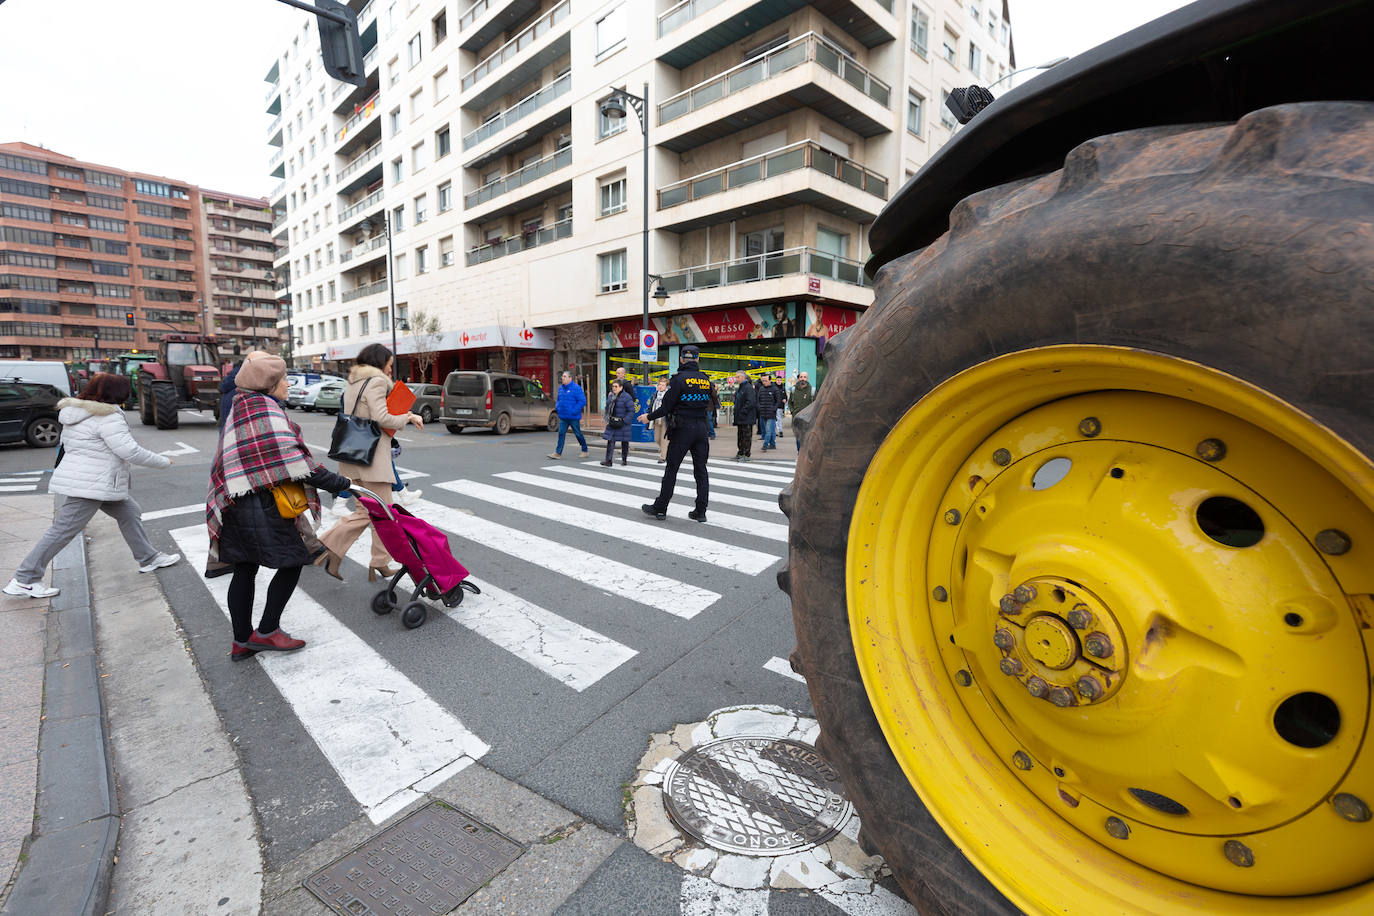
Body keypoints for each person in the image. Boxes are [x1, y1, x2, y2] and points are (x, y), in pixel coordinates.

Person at [206, 356, 353, 660]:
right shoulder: (264, 409)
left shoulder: (242, 405)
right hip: (262, 502)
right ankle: (268, 630)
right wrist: (340, 483)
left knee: (245, 568)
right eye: (284, 379)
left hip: (235, 500)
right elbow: (295, 464)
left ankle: (242, 641)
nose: (288, 384)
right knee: (293, 560)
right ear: (269, 384)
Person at [4, 374, 179, 598]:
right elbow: (129, 451)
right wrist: (164, 461)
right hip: (91, 484)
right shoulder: (108, 417)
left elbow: (68, 445)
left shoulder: (76, 413)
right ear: (116, 394)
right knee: (62, 531)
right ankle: (25, 578)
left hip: (93, 480)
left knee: (129, 512)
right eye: (125, 391)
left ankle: (148, 558)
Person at [318, 344, 426, 581]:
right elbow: (381, 417)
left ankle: (373, 561)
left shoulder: (353, 382)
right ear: (379, 363)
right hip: (372, 459)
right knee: (383, 513)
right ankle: (327, 546)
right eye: (388, 365)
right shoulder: (376, 382)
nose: (390, 370)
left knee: (369, 511)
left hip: (352, 456)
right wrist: (408, 416)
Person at [637, 344, 711, 522]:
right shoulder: (705, 380)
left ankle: (661, 508)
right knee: (701, 471)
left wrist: (649, 416)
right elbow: (711, 405)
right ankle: (700, 511)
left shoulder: (678, 380)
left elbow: (666, 407)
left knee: (671, 470)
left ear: (681, 359)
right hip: (701, 430)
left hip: (682, 430)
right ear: (698, 359)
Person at [547, 370, 589, 459]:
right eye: (562, 376)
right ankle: (558, 453)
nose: (563, 378)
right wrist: (557, 407)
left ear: (570, 378)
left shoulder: (576, 388)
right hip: (563, 416)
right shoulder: (561, 388)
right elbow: (558, 400)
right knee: (561, 433)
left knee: (578, 434)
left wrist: (574, 410)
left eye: (565, 376)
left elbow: (582, 401)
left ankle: (584, 450)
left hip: (573, 416)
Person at [600, 379, 635, 467]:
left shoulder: (626, 397)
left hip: (622, 422)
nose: (614, 388)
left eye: (616, 386)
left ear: (621, 387)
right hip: (612, 422)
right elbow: (607, 407)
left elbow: (631, 410)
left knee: (624, 441)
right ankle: (608, 460)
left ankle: (624, 459)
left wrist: (625, 420)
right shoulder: (611, 396)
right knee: (610, 440)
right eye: (613, 386)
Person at [730, 370, 758, 463]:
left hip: (747, 417)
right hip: (740, 417)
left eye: (738, 377)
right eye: (736, 377)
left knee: (746, 436)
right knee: (740, 436)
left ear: (743, 377)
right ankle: (741, 453)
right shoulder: (740, 388)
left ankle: (746, 454)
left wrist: (743, 411)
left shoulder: (748, 387)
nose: (736, 379)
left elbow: (751, 402)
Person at [789, 371, 814, 452]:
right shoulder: (793, 390)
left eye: (805, 377)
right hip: (796, 418)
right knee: (798, 437)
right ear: (798, 378)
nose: (803, 379)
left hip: (808, 419)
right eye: (801, 377)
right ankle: (800, 453)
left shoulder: (812, 390)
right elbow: (790, 403)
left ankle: (804, 453)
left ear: (807, 378)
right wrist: (793, 412)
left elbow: (815, 403)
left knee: (806, 437)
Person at [646, 378, 670, 463]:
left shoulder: (668, 395)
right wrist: (648, 415)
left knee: (664, 439)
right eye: (659, 384)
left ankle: (663, 457)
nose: (660, 386)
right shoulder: (655, 394)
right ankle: (667, 451)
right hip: (656, 418)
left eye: (662, 385)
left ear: (666, 386)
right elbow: (651, 406)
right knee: (657, 438)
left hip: (665, 419)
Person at [757, 374, 782, 450]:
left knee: (768, 429)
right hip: (763, 413)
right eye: (763, 381)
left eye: (765, 381)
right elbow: (758, 400)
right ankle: (772, 444)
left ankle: (765, 444)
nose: (764, 382)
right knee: (770, 430)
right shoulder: (761, 389)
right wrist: (759, 407)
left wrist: (773, 408)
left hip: (771, 413)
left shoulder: (775, 389)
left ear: (770, 380)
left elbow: (778, 401)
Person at [774, 371, 787, 439]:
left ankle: (778, 431)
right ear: (776, 380)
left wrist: (785, 399)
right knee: (777, 418)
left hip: (780, 406)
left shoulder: (783, 387)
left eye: (780, 380)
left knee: (778, 418)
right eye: (778, 380)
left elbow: (785, 396)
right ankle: (779, 431)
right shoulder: (774, 387)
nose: (779, 381)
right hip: (775, 405)